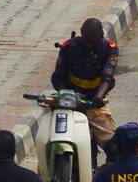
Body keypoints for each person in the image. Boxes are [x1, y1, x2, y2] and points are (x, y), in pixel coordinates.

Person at [51, 18, 119, 151]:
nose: (88, 44)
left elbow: (107, 76)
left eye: (92, 41)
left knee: (114, 149)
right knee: (50, 140)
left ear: (101, 36)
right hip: (69, 103)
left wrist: (99, 97)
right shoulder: (69, 47)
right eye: (85, 40)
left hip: (94, 104)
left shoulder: (109, 49)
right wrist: (65, 94)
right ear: (81, 33)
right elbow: (57, 77)